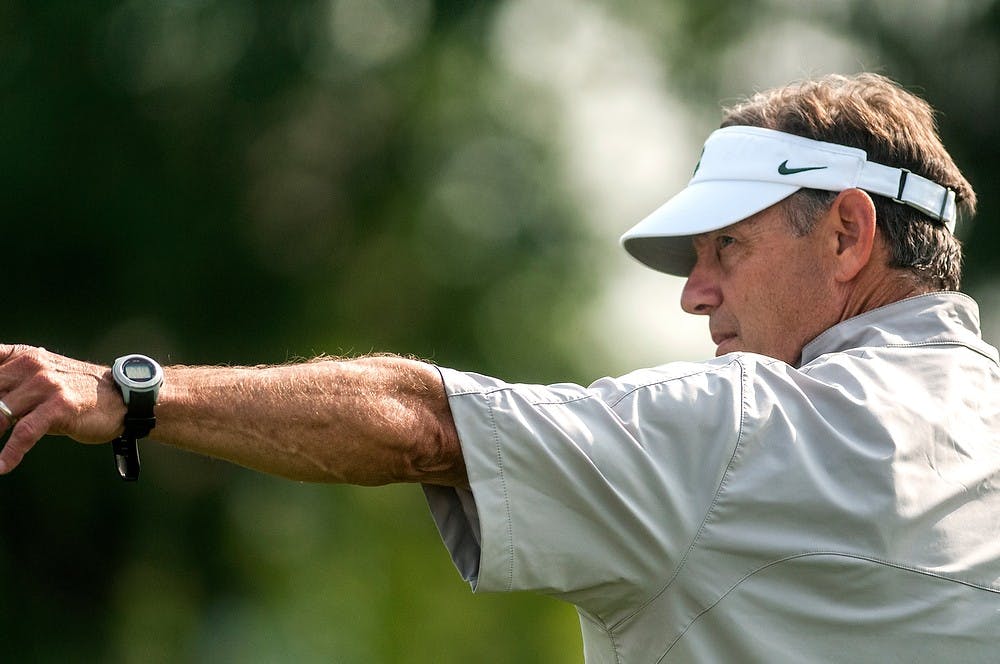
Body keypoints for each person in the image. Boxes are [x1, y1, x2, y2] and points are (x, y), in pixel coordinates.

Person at [0, 72, 997, 662]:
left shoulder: (738, 437)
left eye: (723, 248)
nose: (694, 295)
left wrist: (131, 391)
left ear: (848, 233)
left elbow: (423, 422)